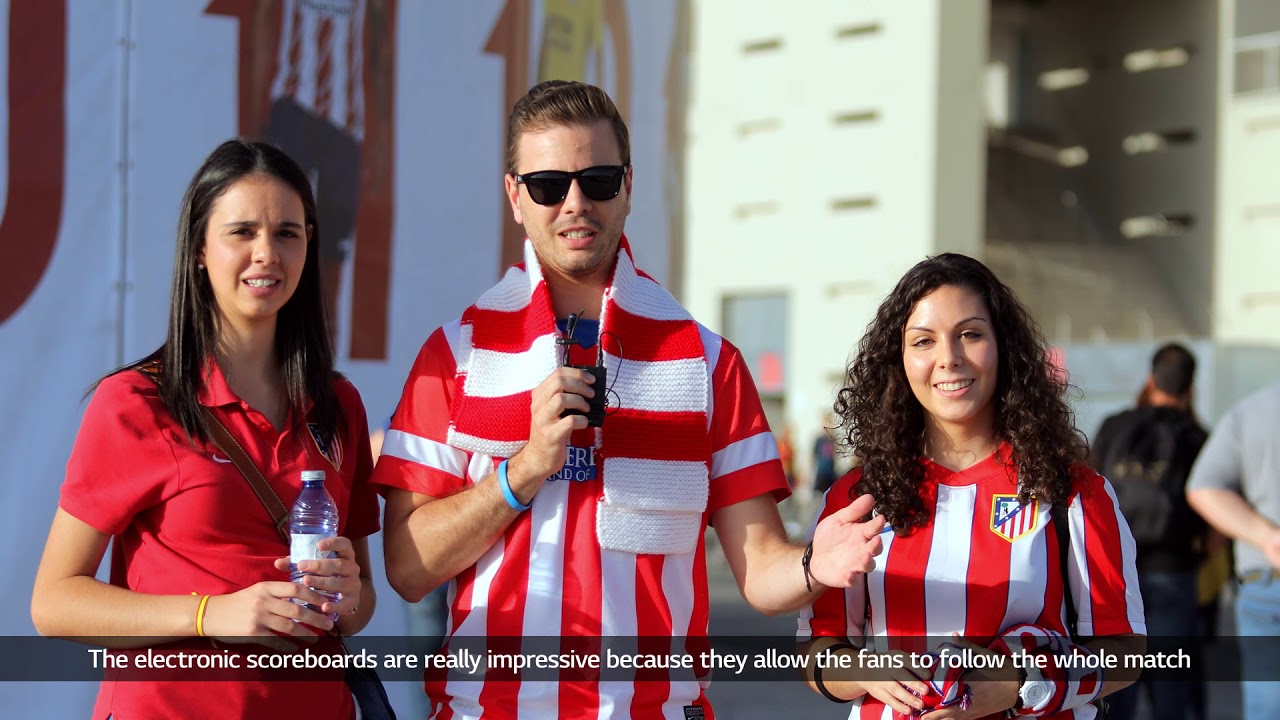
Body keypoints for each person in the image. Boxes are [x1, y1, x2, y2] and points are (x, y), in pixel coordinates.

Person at [372, 80, 883, 718]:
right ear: (514, 196)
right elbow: (407, 567)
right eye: (549, 185)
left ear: (630, 187)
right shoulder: (453, 357)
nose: (576, 203)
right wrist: (524, 470)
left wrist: (814, 563)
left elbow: (758, 570)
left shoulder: (710, 363)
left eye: (600, 180)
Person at [30, 139, 380, 720]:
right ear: (199, 248)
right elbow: (54, 602)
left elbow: (360, 602)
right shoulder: (136, 401)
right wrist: (207, 615)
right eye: (241, 232)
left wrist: (348, 594)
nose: (266, 253)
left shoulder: (339, 404)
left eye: (287, 233)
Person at [798, 253, 1146, 719]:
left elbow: (1125, 652)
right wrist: (864, 670)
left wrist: (1019, 684)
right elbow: (817, 653)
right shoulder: (855, 499)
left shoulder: (1073, 492)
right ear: (898, 361)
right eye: (923, 341)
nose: (949, 358)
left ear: (1004, 347)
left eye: (970, 334)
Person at [1089, 343, 1207, 720]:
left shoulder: (1114, 426)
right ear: (1190, 387)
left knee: (1116, 681)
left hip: (1114, 576)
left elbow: (1088, 496)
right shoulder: (1197, 437)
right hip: (1173, 570)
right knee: (1170, 685)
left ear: (1150, 379)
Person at [1187, 382, 1280, 720]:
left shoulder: (1252, 411)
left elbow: (1203, 488)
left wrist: (1268, 537)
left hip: (1266, 580)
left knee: (1267, 704)